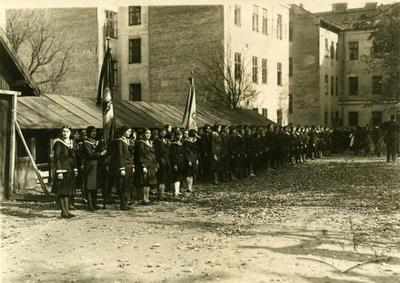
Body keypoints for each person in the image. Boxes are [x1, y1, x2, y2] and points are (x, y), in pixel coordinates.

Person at [52, 126, 78, 218]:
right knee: (62, 192)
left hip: (70, 171)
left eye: (67, 131)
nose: (65, 133)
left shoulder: (72, 143)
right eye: (63, 131)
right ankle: (63, 212)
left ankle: (67, 211)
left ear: (70, 133)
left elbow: (74, 158)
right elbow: (57, 158)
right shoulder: (58, 143)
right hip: (62, 171)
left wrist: (75, 168)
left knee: (67, 192)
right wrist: (59, 171)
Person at [83, 126, 107, 211]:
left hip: (97, 165)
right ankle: (89, 204)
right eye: (92, 131)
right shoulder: (86, 142)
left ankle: (94, 203)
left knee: (95, 185)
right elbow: (89, 154)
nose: (94, 133)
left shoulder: (96, 141)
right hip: (90, 165)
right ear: (89, 132)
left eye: (95, 131)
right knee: (90, 185)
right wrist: (100, 154)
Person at [137, 128, 158, 204]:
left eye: (149, 133)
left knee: (149, 182)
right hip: (145, 165)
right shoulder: (141, 143)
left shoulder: (151, 143)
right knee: (144, 182)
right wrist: (143, 166)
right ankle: (144, 198)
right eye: (146, 133)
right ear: (143, 134)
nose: (148, 135)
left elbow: (154, 155)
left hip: (151, 165)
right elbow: (141, 155)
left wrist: (155, 165)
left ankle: (147, 198)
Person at [154, 127, 171, 200]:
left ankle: (162, 194)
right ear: (159, 133)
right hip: (161, 161)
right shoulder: (157, 141)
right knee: (161, 177)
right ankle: (160, 194)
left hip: (166, 160)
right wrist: (157, 162)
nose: (163, 133)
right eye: (162, 132)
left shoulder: (167, 140)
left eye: (164, 132)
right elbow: (156, 153)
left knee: (165, 177)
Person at [170, 129, 185, 196]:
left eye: (180, 135)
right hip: (176, 162)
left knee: (180, 176)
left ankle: (178, 190)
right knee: (176, 176)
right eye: (178, 135)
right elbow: (172, 155)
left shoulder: (181, 143)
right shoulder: (174, 144)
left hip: (181, 161)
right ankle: (176, 191)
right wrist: (174, 164)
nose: (179, 136)